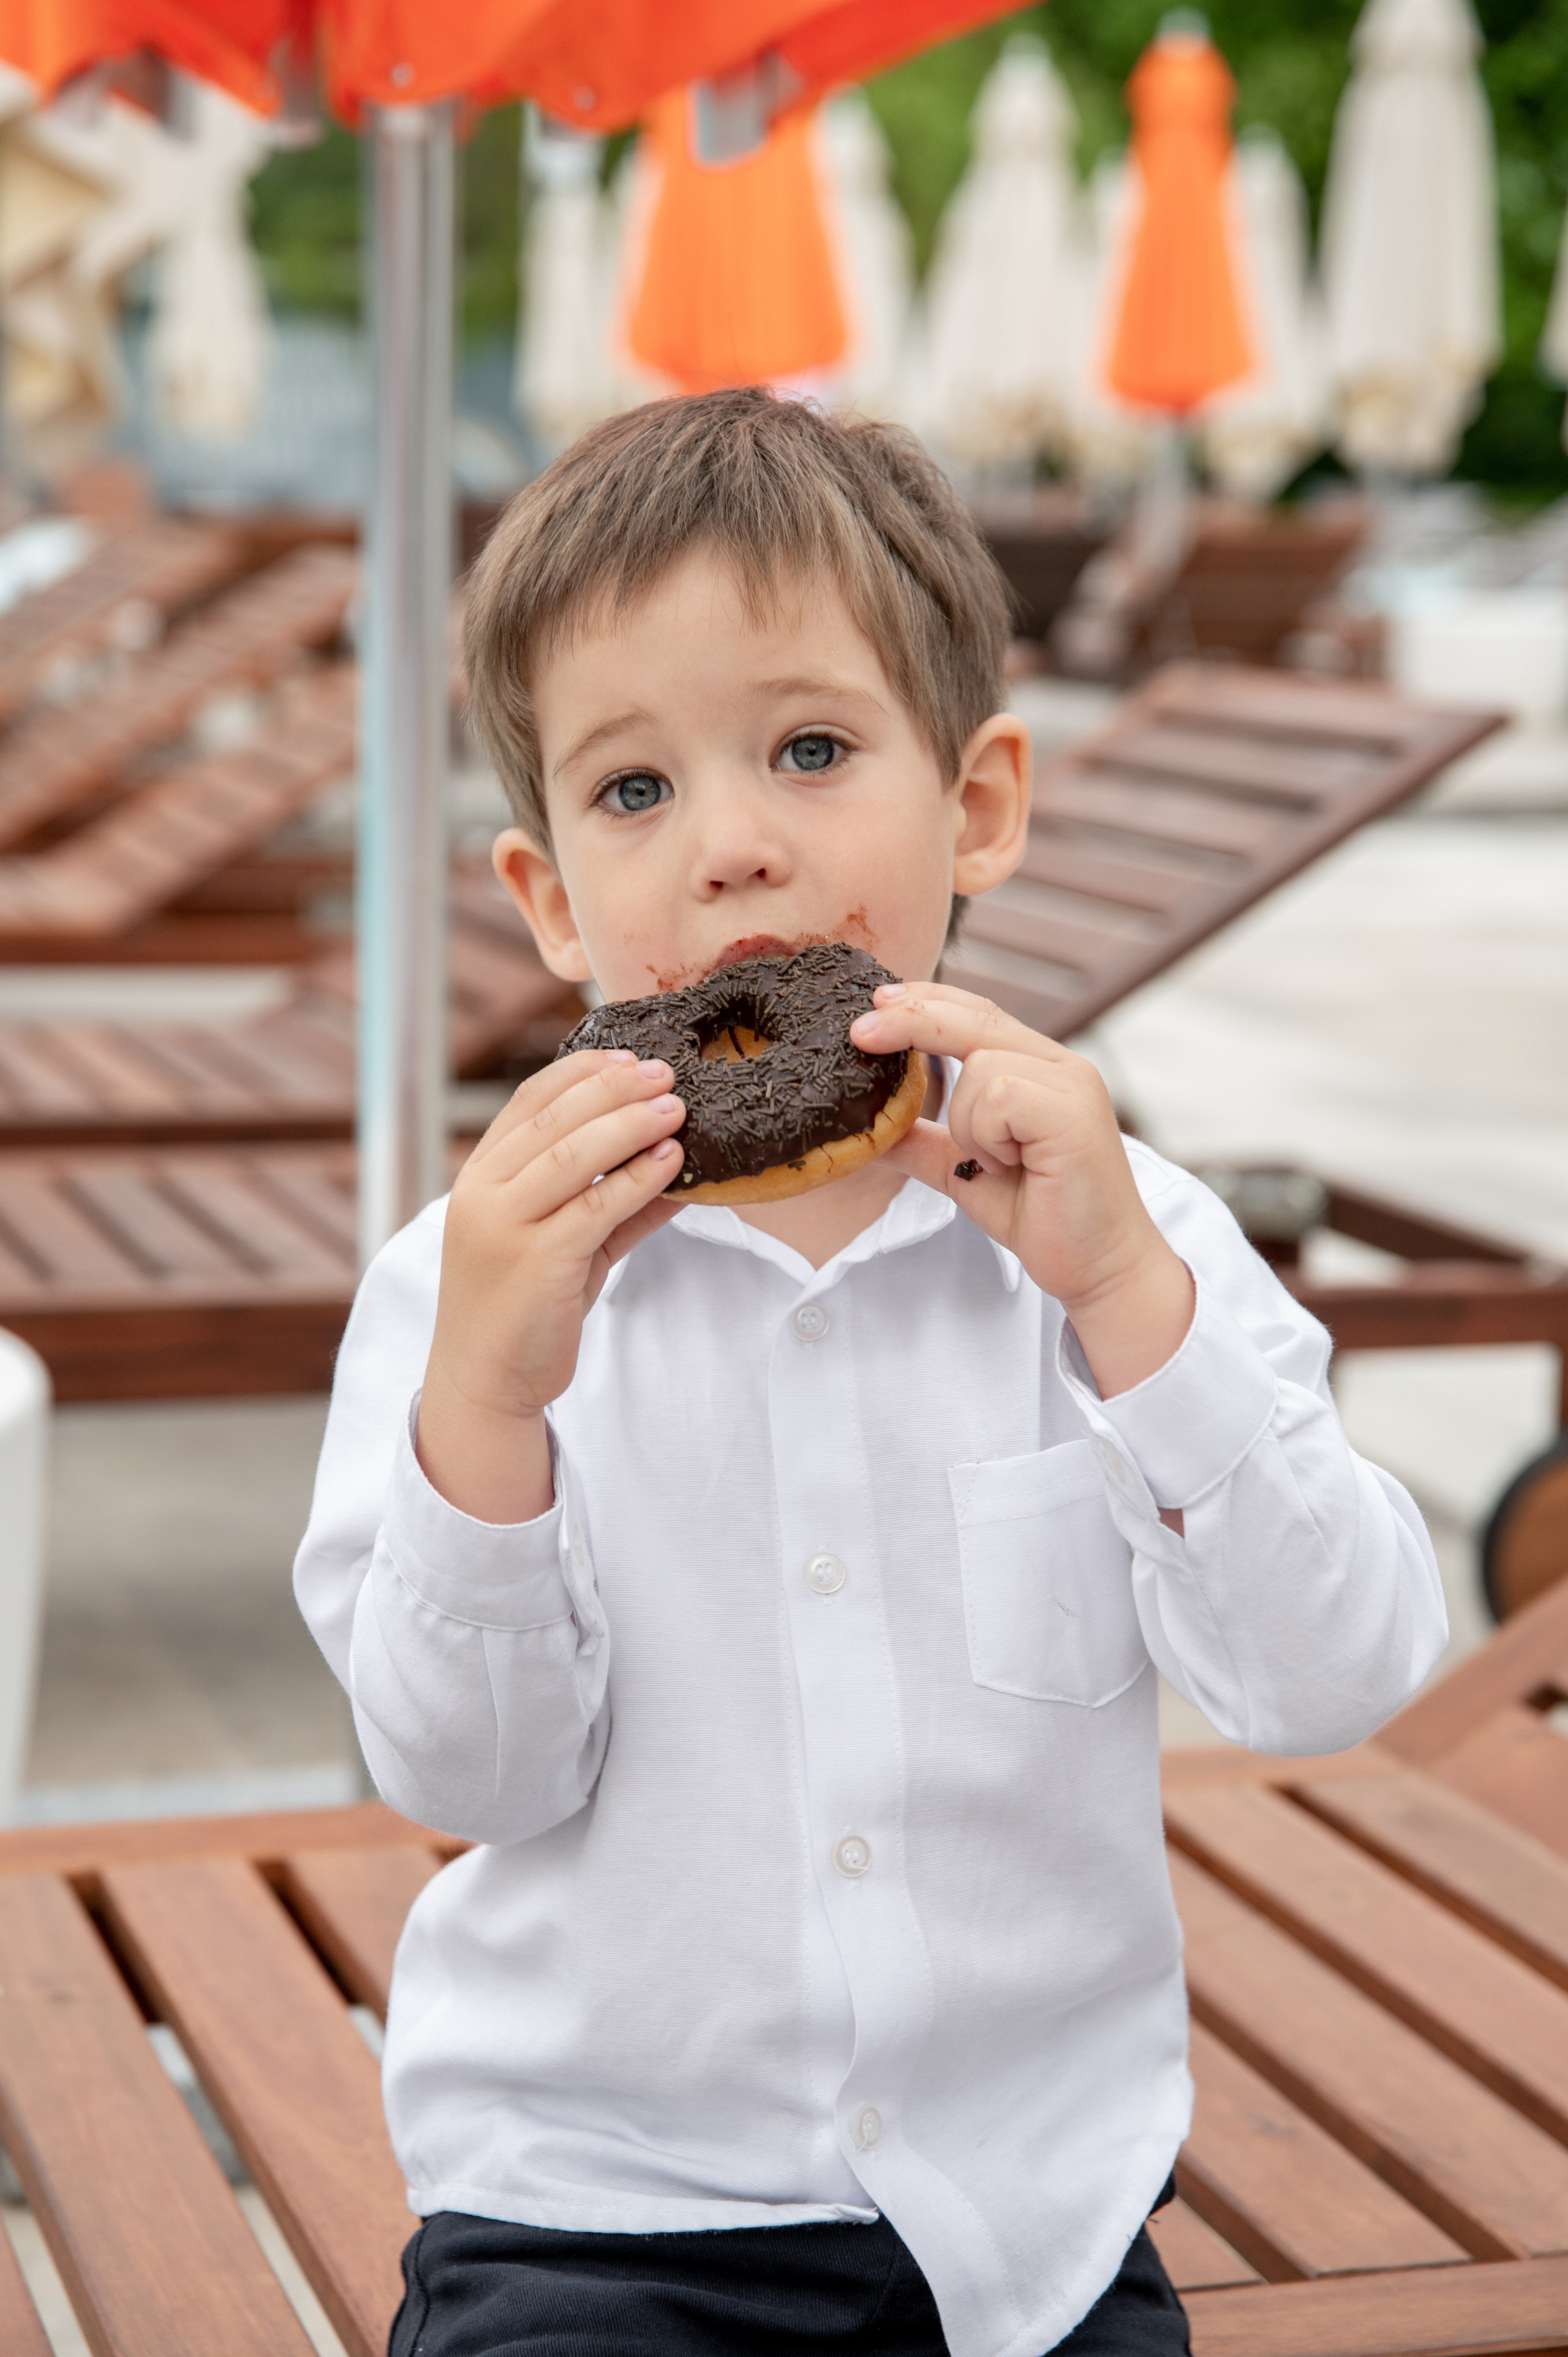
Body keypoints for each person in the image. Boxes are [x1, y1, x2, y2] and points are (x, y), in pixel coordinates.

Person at [293, 387, 1447, 2357]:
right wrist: (483, 1416)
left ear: (978, 801)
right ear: (555, 900)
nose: (734, 847)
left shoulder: (1120, 1237)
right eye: (634, 789)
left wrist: (1134, 1318)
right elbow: (462, 1775)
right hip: (592, 2211)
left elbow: (1334, 1676)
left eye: (812, 749)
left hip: (1030, 2213)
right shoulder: (469, 1295)